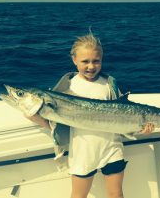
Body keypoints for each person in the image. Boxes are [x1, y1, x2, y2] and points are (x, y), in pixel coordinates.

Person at [27, 31, 152, 198]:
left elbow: (123, 114)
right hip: (82, 152)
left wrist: (141, 128)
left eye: (96, 61)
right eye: (85, 61)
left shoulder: (109, 84)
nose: (91, 66)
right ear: (74, 60)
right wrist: (36, 117)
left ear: (102, 60)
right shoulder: (67, 87)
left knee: (116, 194)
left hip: (112, 148)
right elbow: (56, 121)